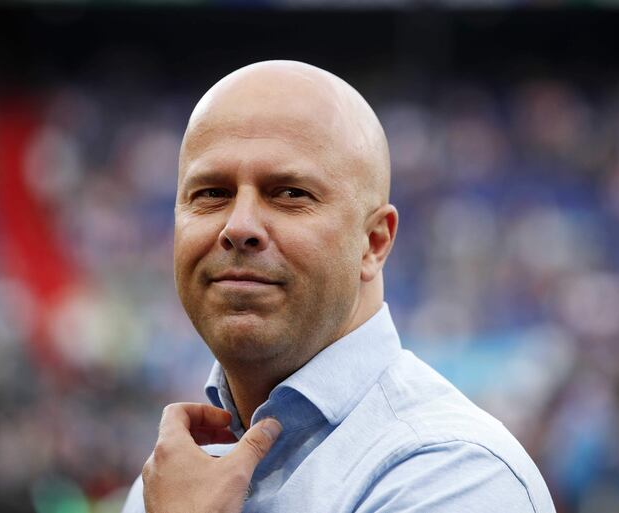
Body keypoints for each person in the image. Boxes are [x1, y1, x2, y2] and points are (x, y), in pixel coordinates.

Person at [122, 60, 555, 513]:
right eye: (211, 192)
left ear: (374, 242)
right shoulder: (168, 482)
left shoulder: (457, 478)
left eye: (289, 193)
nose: (239, 226)